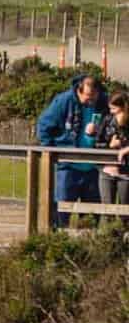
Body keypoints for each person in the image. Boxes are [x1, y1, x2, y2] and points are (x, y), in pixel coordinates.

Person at [36, 73, 109, 225]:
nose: (91, 99)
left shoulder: (104, 102)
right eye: (88, 96)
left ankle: (87, 246)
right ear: (79, 90)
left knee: (91, 216)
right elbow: (44, 125)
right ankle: (58, 243)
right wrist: (51, 152)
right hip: (68, 166)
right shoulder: (64, 101)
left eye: (95, 95)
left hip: (94, 167)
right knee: (61, 213)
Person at [103, 93, 129, 205]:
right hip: (108, 169)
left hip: (126, 170)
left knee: (125, 207)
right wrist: (109, 145)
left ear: (123, 107)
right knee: (107, 209)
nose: (111, 111)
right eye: (110, 108)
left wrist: (124, 146)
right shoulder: (108, 120)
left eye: (114, 108)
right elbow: (99, 142)